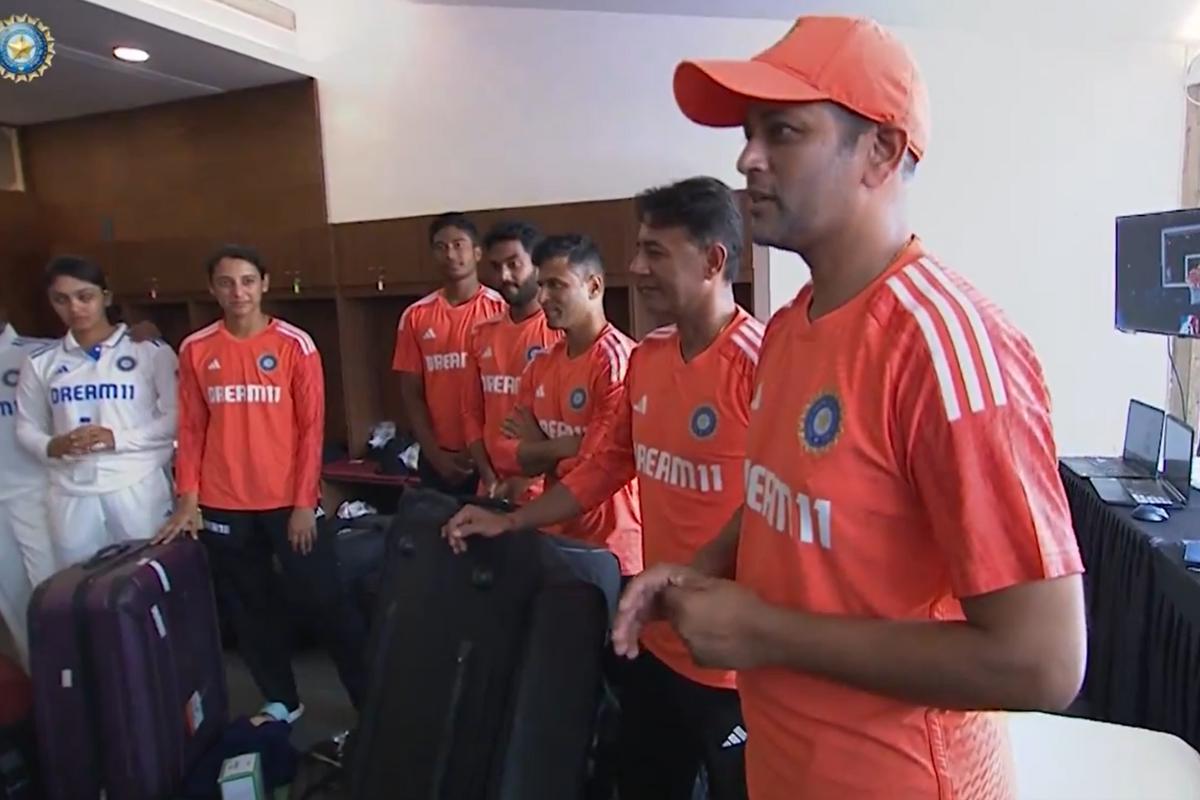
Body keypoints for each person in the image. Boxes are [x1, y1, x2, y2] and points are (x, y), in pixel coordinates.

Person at [612, 16, 1087, 800]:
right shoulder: (792, 328)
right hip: (789, 767)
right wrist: (696, 569)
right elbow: (780, 497)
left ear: (883, 151)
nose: (746, 158)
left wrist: (763, 633)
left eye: (783, 132)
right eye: (748, 132)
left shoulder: (946, 345)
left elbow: (1044, 662)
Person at [446, 177, 759, 799]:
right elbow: (601, 465)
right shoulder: (650, 356)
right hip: (657, 636)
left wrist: (700, 575)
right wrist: (511, 520)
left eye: (656, 252)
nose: (636, 267)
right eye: (637, 250)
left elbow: (778, 507)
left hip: (733, 657)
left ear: (713, 260)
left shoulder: (760, 361)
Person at [156, 244, 367, 724]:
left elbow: (313, 428)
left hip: (287, 502)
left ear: (264, 284)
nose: (238, 292)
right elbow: (190, 428)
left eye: (248, 281)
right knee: (251, 609)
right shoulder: (196, 348)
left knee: (328, 602)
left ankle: (368, 698)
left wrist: (302, 502)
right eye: (227, 283)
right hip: (224, 502)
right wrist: (188, 498)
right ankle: (283, 701)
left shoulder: (295, 344)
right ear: (212, 289)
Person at [464, 233, 643, 575]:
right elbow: (504, 453)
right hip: (554, 533)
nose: (543, 297)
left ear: (593, 287)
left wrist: (538, 446)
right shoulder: (543, 365)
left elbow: (598, 461)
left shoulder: (619, 362)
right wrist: (564, 446)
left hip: (612, 548)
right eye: (542, 284)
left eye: (557, 285)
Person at [15, 256, 178, 569]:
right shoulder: (41, 362)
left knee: (148, 579)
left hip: (136, 484)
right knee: (82, 587)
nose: (75, 308)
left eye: (84, 297)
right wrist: (52, 445)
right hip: (72, 491)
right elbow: (26, 426)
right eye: (61, 300)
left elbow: (177, 418)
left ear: (106, 297)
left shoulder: (148, 350)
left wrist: (116, 438)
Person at [393, 213, 505, 494]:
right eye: (441, 247)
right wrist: (434, 454)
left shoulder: (501, 310)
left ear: (477, 252)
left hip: (492, 456)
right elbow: (412, 393)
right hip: (438, 458)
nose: (451, 254)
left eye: (459, 245)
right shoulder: (416, 316)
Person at [462, 220, 562, 503]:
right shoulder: (481, 333)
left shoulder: (559, 334)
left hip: (545, 490)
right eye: (495, 267)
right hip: (493, 487)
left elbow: (569, 428)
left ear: (537, 265)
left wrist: (528, 479)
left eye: (514, 264)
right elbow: (471, 413)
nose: (504, 275)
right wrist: (489, 477)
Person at [0, 306, 56, 666]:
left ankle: (88, 684)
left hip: (39, 491)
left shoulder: (41, 352)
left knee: (55, 594)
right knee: (14, 602)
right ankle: (49, 696)